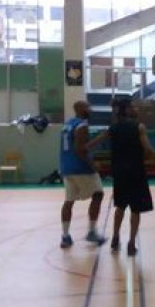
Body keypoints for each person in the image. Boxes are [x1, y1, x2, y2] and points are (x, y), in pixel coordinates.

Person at [88, 99, 155, 256]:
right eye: (132, 107)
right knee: (136, 210)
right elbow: (148, 148)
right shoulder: (139, 127)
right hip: (136, 173)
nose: (135, 108)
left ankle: (115, 237)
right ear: (127, 110)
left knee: (120, 207)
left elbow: (94, 143)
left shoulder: (113, 128)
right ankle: (131, 243)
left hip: (119, 173)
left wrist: (83, 150)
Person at [59, 100, 107, 249]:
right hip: (81, 168)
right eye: (87, 107)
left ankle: (65, 236)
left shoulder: (67, 125)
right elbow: (80, 149)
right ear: (79, 109)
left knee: (69, 201)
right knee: (98, 194)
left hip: (67, 167)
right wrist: (93, 164)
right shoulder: (82, 125)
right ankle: (92, 231)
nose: (90, 109)